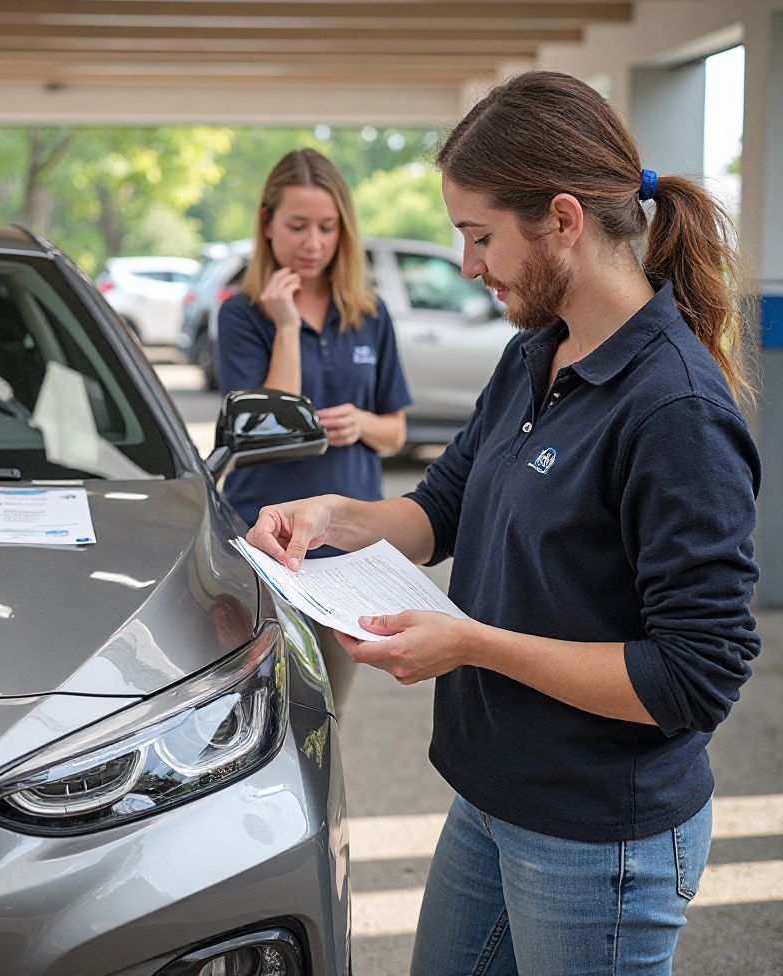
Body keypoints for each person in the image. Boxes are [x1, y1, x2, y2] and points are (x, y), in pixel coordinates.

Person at [246, 72, 760, 975]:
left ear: (563, 219)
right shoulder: (536, 352)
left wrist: (473, 645)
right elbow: (440, 508)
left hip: (598, 838)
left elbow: (696, 676)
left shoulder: (674, 409)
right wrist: (329, 515)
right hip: (489, 796)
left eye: (480, 237)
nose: (470, 265)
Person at [218, 148, 411, 714]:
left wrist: (364, 422)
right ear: (267, 224)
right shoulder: (242, 314)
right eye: (298, 226)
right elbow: (270, 427)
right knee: (258, 710)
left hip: (347, 546)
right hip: (269, 542)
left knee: (326, 710)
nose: (313, 243)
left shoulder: (368, 314)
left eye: (327, 228)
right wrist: (286, 326)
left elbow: (395, 434)